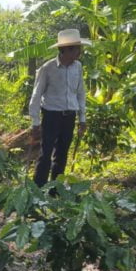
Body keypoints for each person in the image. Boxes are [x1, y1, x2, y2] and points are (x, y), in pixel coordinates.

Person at [28, 29, 90, 187]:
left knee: (62, 154)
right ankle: (39, 188)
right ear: (66, 50)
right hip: (51, 116)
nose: (79, 52)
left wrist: (82, 119)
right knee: (46, 153)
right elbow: (36, 95)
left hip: (69, 116)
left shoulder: (78, 67)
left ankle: (56, 189)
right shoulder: (48, 68)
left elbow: (80, 93)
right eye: (76, 48)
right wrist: (35, 122)